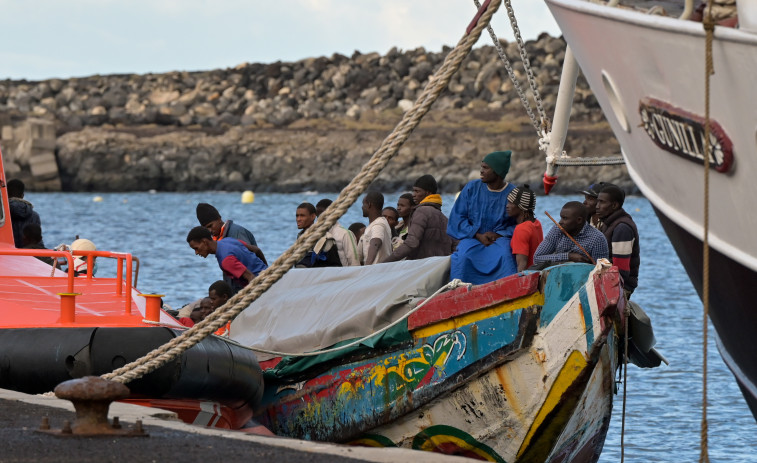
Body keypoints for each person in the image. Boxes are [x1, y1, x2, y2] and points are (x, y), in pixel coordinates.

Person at [447, 151, 518, 284]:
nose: (481, 171)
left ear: (497, 171)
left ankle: (509, 293)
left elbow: (520, 223)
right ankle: (460, 294)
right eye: (481, 167)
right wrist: (477, 234)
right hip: (473, 237)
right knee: (462, 257)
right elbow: (457, 218)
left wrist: (499, 234)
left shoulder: (513, 193)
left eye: (486, 168)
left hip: (501, 239)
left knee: (506, 256)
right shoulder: (471, 188)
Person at [383, 175, 453, 263]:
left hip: (421, 267)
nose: (413, 195)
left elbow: (411, 243)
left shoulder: (421, 211)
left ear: (427, 192)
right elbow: (454, 246)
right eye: (413, 191)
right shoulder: (444, 218)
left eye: (417, 191)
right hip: (438, 269)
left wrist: (385, 262)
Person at [186, 226, 267, 294]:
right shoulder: (228, 240)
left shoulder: (225, 260)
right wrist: (266, 268)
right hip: (267, 274)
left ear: (204, 242)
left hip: (262, 284)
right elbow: (256, 250)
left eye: (196, 248)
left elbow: (251, 277)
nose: (196, 253)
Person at [596, 184, 640, 299]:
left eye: (602, 202)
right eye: (597, 202)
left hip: (621, 287)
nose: (597, 206)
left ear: (614, 205)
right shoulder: (609, 223)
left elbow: (621, 271)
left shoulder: (622, 228)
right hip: (608, 281)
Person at [533, 201, 609, 266]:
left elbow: (602, 270)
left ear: (579, 220)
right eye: (561, 217)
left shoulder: (597, 238)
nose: (560, 222)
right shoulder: (557, 230)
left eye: (565, 218)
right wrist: (569, 256)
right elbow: (537, 258)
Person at [196, 203, 267, 264]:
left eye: (210, 226)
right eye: (206, 229)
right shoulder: (219, 240)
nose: (210, 231)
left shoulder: (236, 232)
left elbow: (249, 259)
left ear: (219, 219)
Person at [506, 185, 543, 272]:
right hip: (538, 273)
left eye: (511, 203)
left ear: (521, 207)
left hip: (530, 276)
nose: (507, 206)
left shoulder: (521, 229)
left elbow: (522, 266)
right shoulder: (536, 223)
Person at [294, 202, 342, 268]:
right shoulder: (300, 237)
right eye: (297, 216)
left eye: (302, 216)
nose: (298, 219)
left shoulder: (326, 239)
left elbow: (336, 267)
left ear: (313, 216)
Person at [314, 199, 360, 267]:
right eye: (318, 215)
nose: (319, 218)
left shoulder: (345, 234)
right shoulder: (315, 236)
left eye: (322, 214)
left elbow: (354, 262)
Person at [358, 191, 392, 265]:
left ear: (369, 204)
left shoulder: (378, 225)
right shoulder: (381, 222)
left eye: (363, 204)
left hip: (375, 272)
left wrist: (367, 266)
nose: (362, 207)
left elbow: (375, 244)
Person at [7, 179, 42, 249]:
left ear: (6, 194)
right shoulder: (35, 216)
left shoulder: (3, 214)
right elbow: (38, 243)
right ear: (22, 195)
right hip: (29, 256)